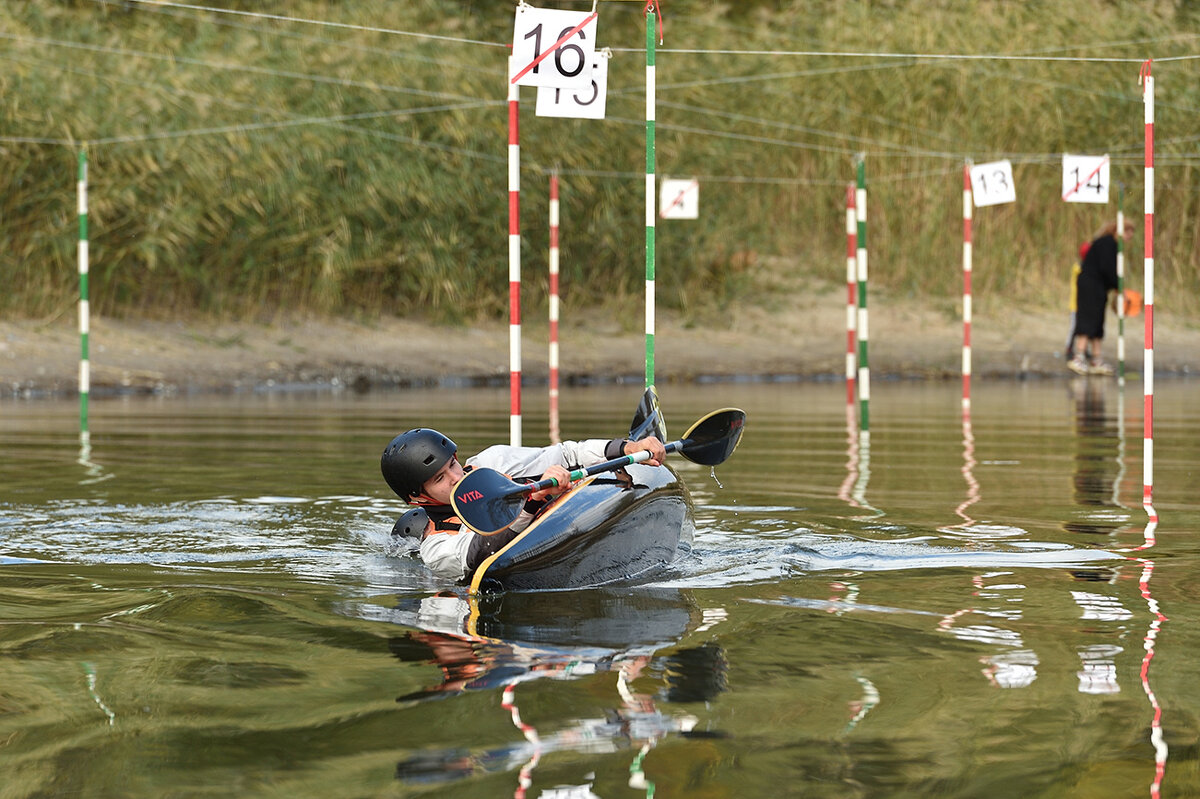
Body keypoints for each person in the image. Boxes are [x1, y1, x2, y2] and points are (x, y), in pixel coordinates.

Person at [381, 428, 667, 584]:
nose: (456, 478)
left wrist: (625, 448)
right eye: (440, 478)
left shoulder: (493, 462)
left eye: (453, 464)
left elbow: (569, 454)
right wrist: (532, 502)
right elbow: (483, 552)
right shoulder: (435, 548)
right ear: (418, 498)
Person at [1068, 220, 1130, 376]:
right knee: (1088, 319)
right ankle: (1079, 357)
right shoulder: (1107, 244)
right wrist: (1119, 287)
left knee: (1098, 322)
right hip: (1090, 287)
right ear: (1118, 230)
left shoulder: (1111, 245)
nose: (1130, 236)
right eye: (1128, 232)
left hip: (1099, 288)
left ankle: (1097, 359)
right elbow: (1107, 269)